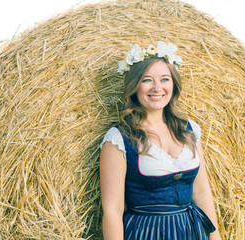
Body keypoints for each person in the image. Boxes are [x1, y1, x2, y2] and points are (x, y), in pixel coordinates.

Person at [100, 41, 221, 240]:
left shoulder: (189, 129)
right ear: (134, 86)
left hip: (191, 232)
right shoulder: (119, 139)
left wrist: (215, 237)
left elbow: (201, 191)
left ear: (173, 84)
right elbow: (113, 210)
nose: (157, 88)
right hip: (145, 233)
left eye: (165, 79)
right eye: (147, 80)